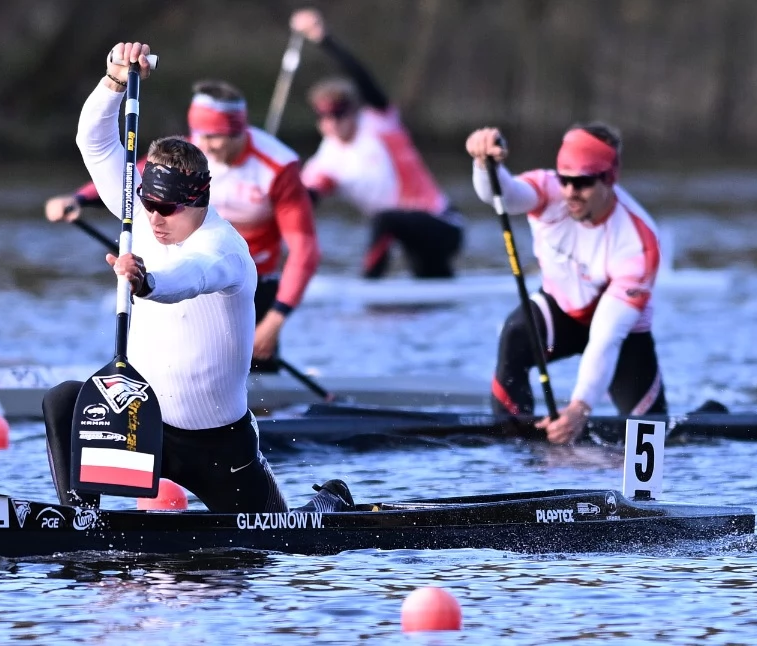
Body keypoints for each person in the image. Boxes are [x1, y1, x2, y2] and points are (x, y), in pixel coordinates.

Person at [42, 42, 352, 514]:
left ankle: (331, 501)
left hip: (218, 447)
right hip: (145, 426)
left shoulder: (224, 249)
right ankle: (80, 520)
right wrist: (113, 81)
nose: (154, 218)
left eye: (167, 208)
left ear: (199, 201)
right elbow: (93, 142)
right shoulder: (142, 213)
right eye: (148, 204)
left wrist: (145, 282)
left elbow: (190, 277)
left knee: (282, 537)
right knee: (65, 400)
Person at [44, 80, 320, 373]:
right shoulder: (192, 153)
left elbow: (304, 250)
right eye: (200, 134)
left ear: (238, 130)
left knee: (253, 370)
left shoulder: (278, 167)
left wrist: (275, 320)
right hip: (180, 269)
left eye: (214, 136)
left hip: (249, 283)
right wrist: (78, 199)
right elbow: (134, 177)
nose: (205, 145)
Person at [466, 123, 666, 445]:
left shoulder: (638, 242)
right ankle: (512, 441)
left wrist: (579, 408)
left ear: (609, 179)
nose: (570, 191)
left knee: (651, 437)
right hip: (561, 313)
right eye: (565, 179)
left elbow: (605, 337)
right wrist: (484, 164)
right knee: (515, 333)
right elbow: (502, 195)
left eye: (583, 182)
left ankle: (699, 420)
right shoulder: (548, 190)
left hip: (622, 334)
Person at [289, 8, 463, 279]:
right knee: (432, 287)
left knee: (385, 219)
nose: (332, 122)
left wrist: (323, 39)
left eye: (338, 113)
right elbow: (304, 201)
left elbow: (362, 77)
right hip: (408, 240)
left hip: (444, 226)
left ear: (353, 112)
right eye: (324, 116)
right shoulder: (324, 162)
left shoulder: (380, 124)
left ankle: (367, 286)